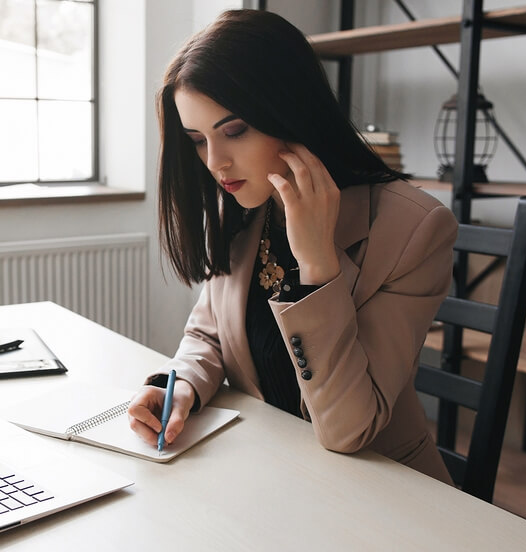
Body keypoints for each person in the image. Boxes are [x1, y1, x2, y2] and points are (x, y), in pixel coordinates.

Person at [127, 9, 457, 484]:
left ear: (290, 110)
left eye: (234, 130)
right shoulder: (242, 205)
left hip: (381, 488)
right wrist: (179, 388)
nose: (216, 162)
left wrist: (318, 265)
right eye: (198, 140)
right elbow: (209, 335)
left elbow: (350, 431)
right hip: (271, 470)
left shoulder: (415, 229)